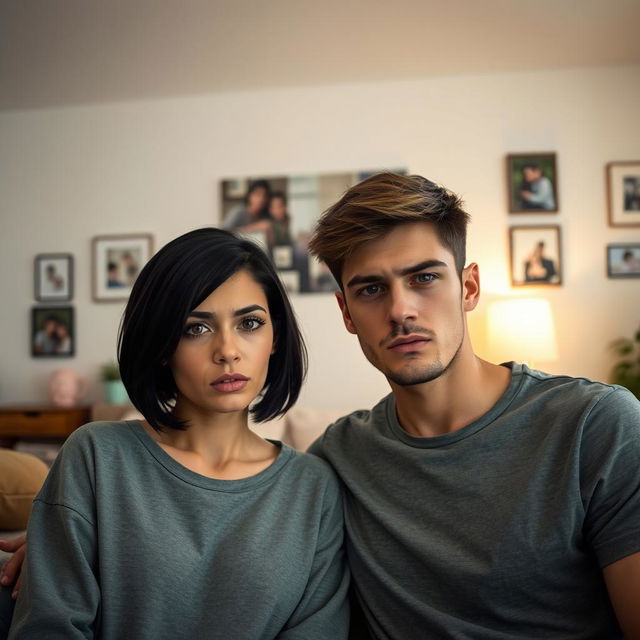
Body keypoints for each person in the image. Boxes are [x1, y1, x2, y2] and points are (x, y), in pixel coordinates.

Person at [306, 172, 640, 638]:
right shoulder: (337, 458)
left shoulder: (595, 424)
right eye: (371, 289)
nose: (401, 310)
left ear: (468, 288)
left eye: (424, 278)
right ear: (346, 313)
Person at [3, 228, 349, 639]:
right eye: (195, 329)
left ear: (275, 338)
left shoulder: (315, 487)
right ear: (163, 345)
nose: (227, 350)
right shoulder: (96, 456)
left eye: (250, 323)